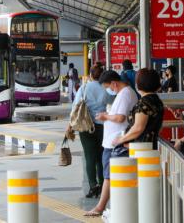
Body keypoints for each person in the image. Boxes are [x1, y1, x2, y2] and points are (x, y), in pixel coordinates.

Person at [85, 70, 138, 217]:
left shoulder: (125, 93)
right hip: (114, 141)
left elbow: (120, 118)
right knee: (110, 176)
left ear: (114, 83)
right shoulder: (125, 93)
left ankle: (100, 207)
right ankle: (107, 207)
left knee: (109, 176)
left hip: (116, 141)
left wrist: (105, 116)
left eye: (109, 87)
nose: (109, 90)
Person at [67, 65, 113, 198]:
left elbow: (76, 107)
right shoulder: (108, 89)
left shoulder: (84, 88)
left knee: (89, 156)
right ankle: (103, 184)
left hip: (86, 126)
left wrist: (70, 125)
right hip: (104, 126)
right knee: (101, 156)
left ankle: (93, 186)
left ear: (91, 75)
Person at [112, 68, 164, 149]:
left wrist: (121, 139)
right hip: (150, 147)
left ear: (139, 84)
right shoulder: (156, 100)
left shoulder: (144, 103)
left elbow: (138, 128)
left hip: (141, 149)